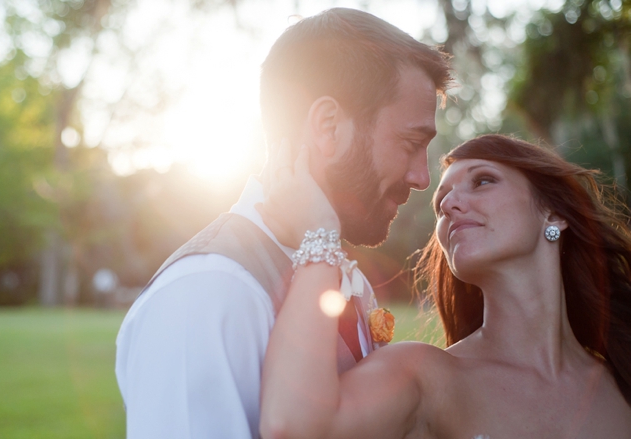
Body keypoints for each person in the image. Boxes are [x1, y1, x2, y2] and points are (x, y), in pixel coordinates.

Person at [115, 7, 451, 438]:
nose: (422, 177)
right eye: (410, 143)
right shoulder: (209, 290)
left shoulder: (335, 270)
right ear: (328, 126)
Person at [259, 134, 631, 438]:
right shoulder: (422, 375)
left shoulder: (621, 378)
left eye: (482, 180)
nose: (450, 204)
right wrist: (319, 233)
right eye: (440, 203)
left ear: (554, 213)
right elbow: (292, 426)